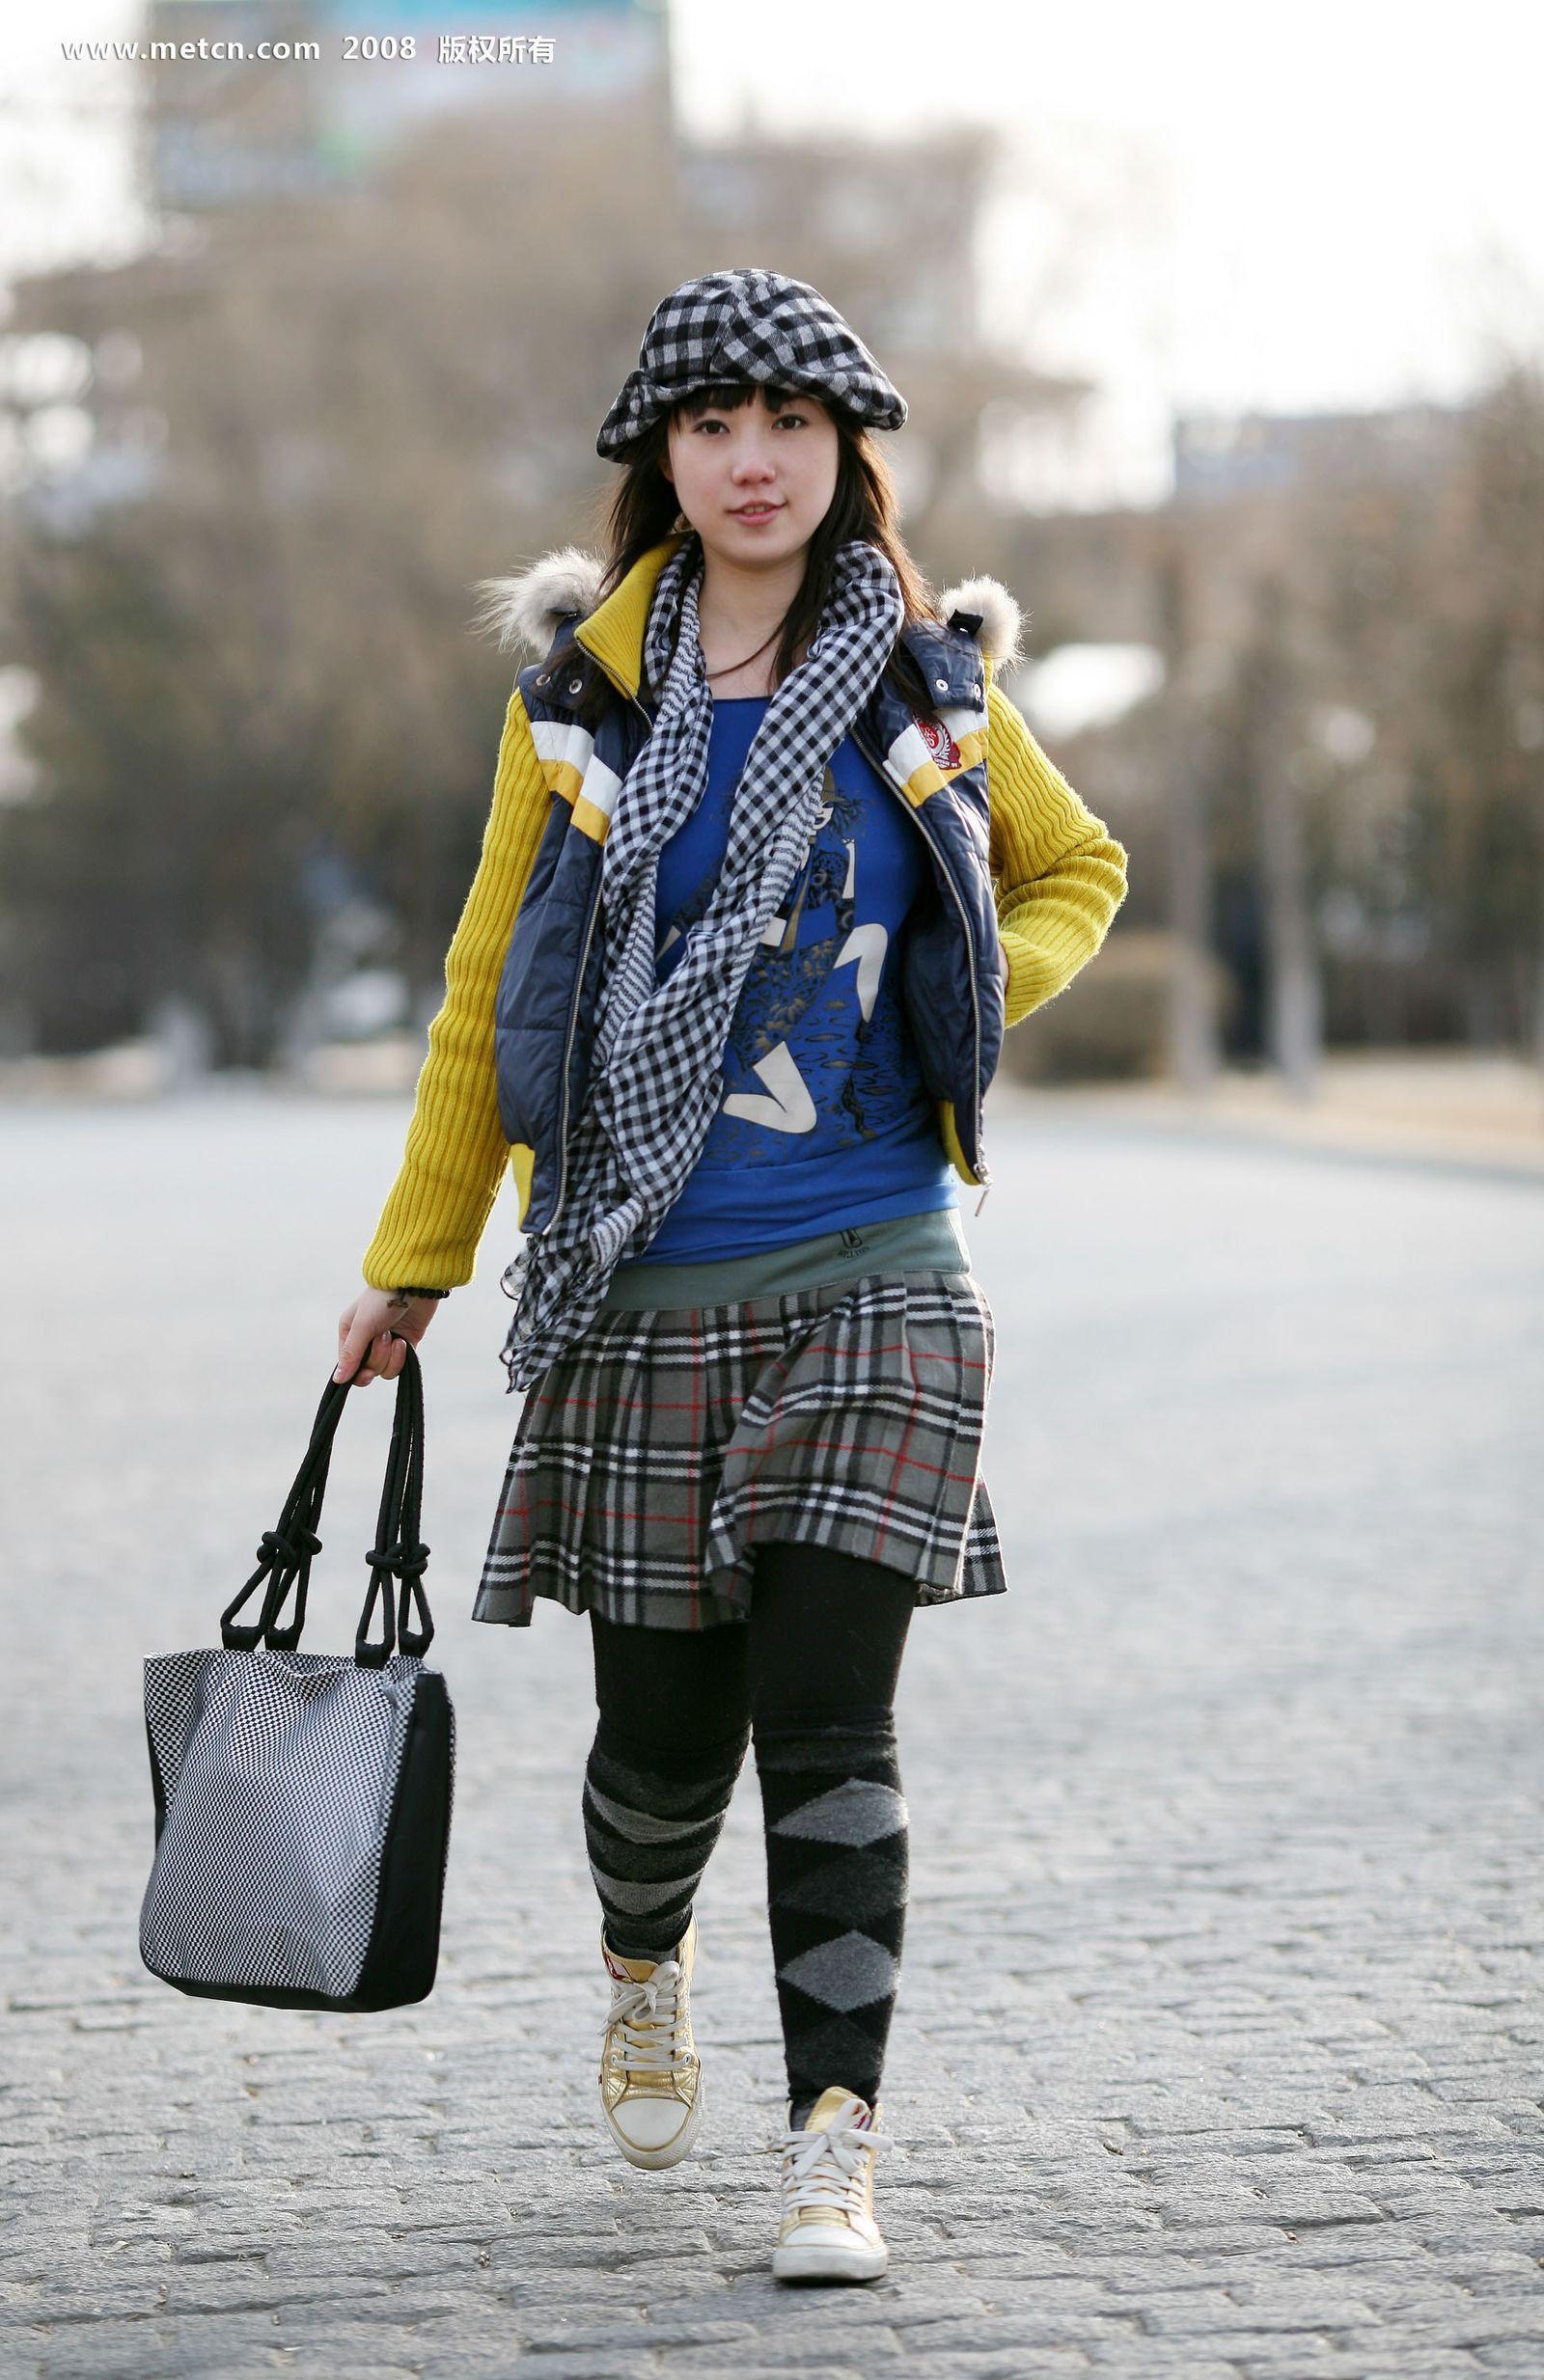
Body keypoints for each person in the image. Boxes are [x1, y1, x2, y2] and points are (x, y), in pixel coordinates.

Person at [335, 267, 1128, 2284]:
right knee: (661, 1756)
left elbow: (1074, 869)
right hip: (639, 1286)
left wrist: (970, 999)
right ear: (661, 460)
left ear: (846, 450)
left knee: (831, 1728)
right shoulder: (578, 704)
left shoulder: (929, 687)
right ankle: (640, 1952)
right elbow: (487, 991)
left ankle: (831, 2146)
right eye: (712, 425)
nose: (753, 458)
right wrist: (415, 1261)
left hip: (880, 1271)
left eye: (790, 422)